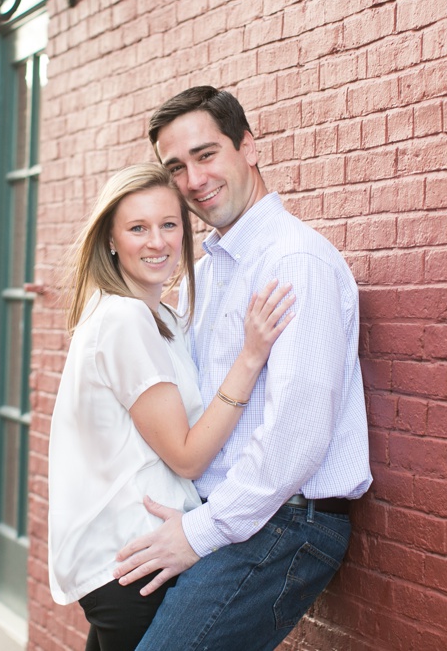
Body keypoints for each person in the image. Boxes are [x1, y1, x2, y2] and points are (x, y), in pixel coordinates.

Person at [113, 86, 372, 650]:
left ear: (248, 148)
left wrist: (200, 533)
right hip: (226, 514)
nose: (194, 180)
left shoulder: (292, 261)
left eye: (207, 155)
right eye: (175, 167)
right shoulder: (206, 271)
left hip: (283, 523)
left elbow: (297, 436)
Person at [48, 162, 295, 651]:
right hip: (136, 555)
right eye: (138, 228)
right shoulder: (123, 320)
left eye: (169, 225)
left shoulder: (155, 314)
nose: (157, 241)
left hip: (128, 556)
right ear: (111, 240)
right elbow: (186, 455)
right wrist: (250, 358)